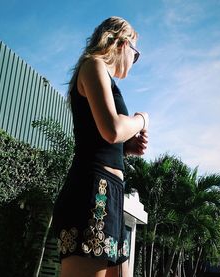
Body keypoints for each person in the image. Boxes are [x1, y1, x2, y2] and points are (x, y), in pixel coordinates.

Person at [51, 16, 149, 277]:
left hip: (110, 193)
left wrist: (125, 149)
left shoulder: (103, 75)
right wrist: (141, 120)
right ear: (121, 43)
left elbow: (104, 136)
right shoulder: (93, 65)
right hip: (92, 191)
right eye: (135, 54)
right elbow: (113, 129)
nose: (133, 61)